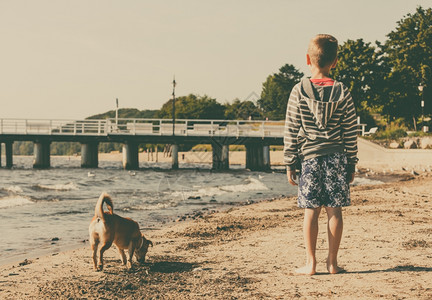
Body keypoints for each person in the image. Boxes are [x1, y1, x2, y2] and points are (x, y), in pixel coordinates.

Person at [284, 34, 358, 275]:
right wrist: (351, 164)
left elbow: (291, 128)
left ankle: (311, 263)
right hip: (336, 157)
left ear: (308, 59)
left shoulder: (298, 91)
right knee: (334, 210)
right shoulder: (342, 91)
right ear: (334, 62)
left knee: (311, 211)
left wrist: (290, 162)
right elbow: (350, 130)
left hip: (310, 158)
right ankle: (333, 263)